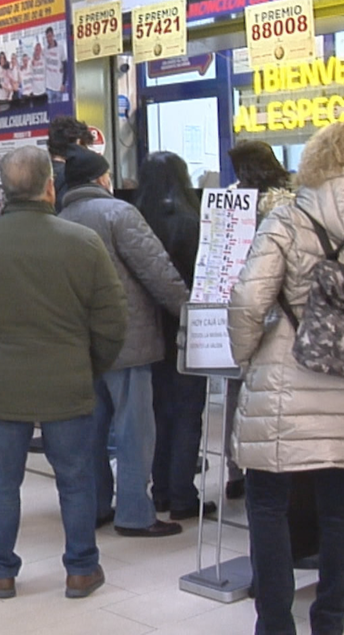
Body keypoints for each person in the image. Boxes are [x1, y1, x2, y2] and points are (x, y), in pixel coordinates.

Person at [228, 123, 344, 635]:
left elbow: (248, 301)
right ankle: (329, 622)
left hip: (282, 384)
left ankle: (275, 624)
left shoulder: (287, 220)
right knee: (341, 512)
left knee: (268, 506)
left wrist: (246, 356)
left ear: (314, 162)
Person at [0, 145, 127, 600]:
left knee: (2, 482)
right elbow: (113, 319)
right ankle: (81, 569)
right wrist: (90, 364)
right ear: (50, 187)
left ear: (2, 190)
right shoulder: (82, 243)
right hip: (68, 380)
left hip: (1, 382)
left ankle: (0, 571)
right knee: (76, 479)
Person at [59, 149, 190, 537]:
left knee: (92, 431)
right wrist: (189, 312)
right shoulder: (119, 214)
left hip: (80, 345)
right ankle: (134, 512)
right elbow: (156, 271)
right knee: (134, 431)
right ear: (102, 178)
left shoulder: (59, 220)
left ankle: (97, 504)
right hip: (127, 340)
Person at [132, 152, 209, 519]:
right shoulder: (192, 222)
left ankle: (160, 490)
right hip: (188, 328)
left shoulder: (135, 221)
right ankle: (182, 495)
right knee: (187, 413)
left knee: (158, 414)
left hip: (148, 330)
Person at [223, 140, 297, 500]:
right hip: (286, 313)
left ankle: (237, 467)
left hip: (243, 305)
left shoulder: (230, 203)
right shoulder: (294, 201)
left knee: (238, 390)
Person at [43, 27, 65, 101]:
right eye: (47, 37)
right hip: (48, 87)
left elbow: (65, 66)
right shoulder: (44, 50)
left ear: (53, 35)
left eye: (50, 36)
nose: (48, 39)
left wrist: (63, 83)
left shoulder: (60, 48)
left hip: (58, 86)